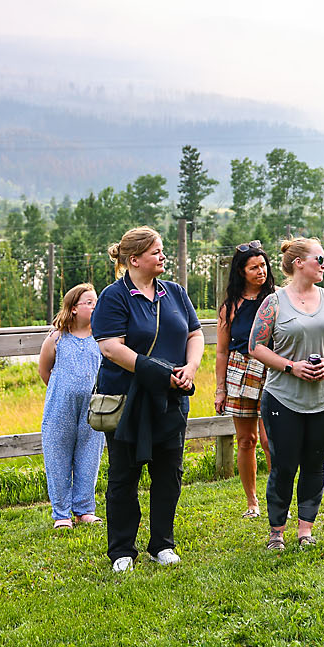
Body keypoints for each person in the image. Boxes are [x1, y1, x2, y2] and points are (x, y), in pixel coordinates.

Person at [93, 227, 203, 571]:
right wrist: (157, 372)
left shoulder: (176, 293)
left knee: (169, 472)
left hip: (170, 400)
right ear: (134, 259)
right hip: (128, 402)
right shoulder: (114, 296)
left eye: (162, 250)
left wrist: (191, 367)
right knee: (124, 476)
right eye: (156, 251)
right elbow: (111, 347)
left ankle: (162, 545)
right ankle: (122, 551)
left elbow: (195, 333)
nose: (163, 256)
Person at [247, 238, 324, 551]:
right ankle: (276, 533)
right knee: (283, 464)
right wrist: (290, 367)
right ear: (299, 263)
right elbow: (255, 346)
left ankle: (305, 531)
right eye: (319, 259)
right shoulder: (274, 302)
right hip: (283, 398)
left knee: (315, 463)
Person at [214, 241, 276, 519]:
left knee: (269, 439)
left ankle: (278, 497)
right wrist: (220, 389)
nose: (260, 271)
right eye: (254, 267)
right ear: (241, 272)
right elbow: (221, 351)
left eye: (263, 265)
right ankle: (252, 503)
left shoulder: (277, 298)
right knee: (246, 440)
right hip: (239, 372)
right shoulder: (230, 307)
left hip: (272, 369)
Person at [38, 284, 103, 529]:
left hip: (93, 407)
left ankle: (84, 509)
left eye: (96, 301)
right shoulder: (56, 337)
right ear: (74, 308)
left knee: (89, 456)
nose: (94, 306)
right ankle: (61, 514)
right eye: (89, 302)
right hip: (60, 407)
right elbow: (45, 371)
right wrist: (64, 389)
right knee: (58, 457)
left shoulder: (101, 336)